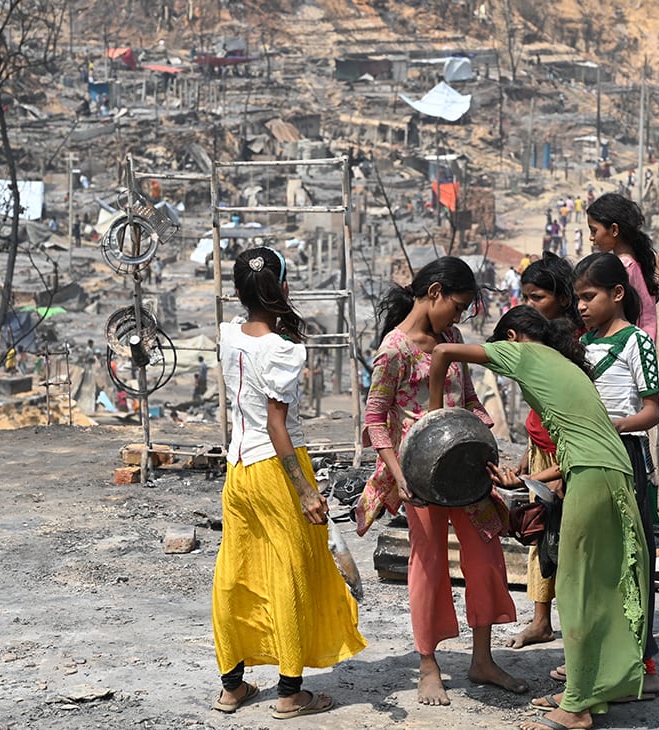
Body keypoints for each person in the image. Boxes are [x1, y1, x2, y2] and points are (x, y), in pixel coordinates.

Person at [427, 306, 649, 730]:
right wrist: (526, 478)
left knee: (575, 588)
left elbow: (441, 353)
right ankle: (588, 692)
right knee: (599, 585)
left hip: (590, 473)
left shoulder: (523, 352)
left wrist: (437, 421)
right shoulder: (566, 364)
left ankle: (577, 708)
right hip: (608, 470)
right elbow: (580, 443)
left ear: (512, 335)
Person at [356, 256, 527, 706]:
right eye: (458, 305)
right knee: (428, 567)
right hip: (419, 477)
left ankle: (482, 659)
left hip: (465, 469)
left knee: (486, 556)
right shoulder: (394, 350)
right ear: (434, 293)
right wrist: (399, 476)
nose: (460, 317)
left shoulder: (451, 340)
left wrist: (486, 449)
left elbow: (468, 398)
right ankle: (428, 664)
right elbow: (375, 419)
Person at [212, 246, 365, 719]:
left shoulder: (228, 334)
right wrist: (305, 490)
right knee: (292, 573)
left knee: (237, 572)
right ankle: (290, 692)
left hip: (237, 471)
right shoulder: (281, 350)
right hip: (277, 469)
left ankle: (232, 686)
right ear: (282, 287)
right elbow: (278, 426)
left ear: (238, 292)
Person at [574, 252, 659, 695]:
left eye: (589, 297)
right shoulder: (582, 342)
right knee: (597, 561)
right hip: (588, 455)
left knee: (635, 557)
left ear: (617, 294)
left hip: (625, 454)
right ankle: (602, 655)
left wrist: (616, 425)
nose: (582, 306)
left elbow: (652, 411)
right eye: (578, 299)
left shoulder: (636, 343)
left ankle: (643, 660)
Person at [501, 254, 582, 651]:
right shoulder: (541, 340)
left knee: (563, 539)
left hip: (563, 453)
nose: (530, 306)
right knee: (540, 533)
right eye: (526, 297)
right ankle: (540, 620)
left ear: (561, 298)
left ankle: (573, 625)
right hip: (539, 448)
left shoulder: (570, 342)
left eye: (537, 297)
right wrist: (525, 453)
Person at [584, 193, 659, 342]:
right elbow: (649, 299)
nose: (591, 237)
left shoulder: (623, 268)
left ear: (614, 230)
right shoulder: (634, 264)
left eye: (594, 230)